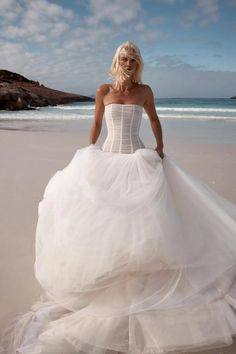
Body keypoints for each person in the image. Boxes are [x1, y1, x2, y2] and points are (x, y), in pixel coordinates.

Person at [1, 41, 236, 354]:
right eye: (124, 58)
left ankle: (140, 274)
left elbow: (153, 120)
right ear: (117, 61)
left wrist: (160, 147)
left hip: (137, 157)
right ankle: (110, 275)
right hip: (109, 158)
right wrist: (89, 151)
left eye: (133, 59)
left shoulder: (145, 91)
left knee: (142, 221)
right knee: (105, 220)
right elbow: (97, 123)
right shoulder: (103, 91)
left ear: (138, 64)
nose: (128, 62)